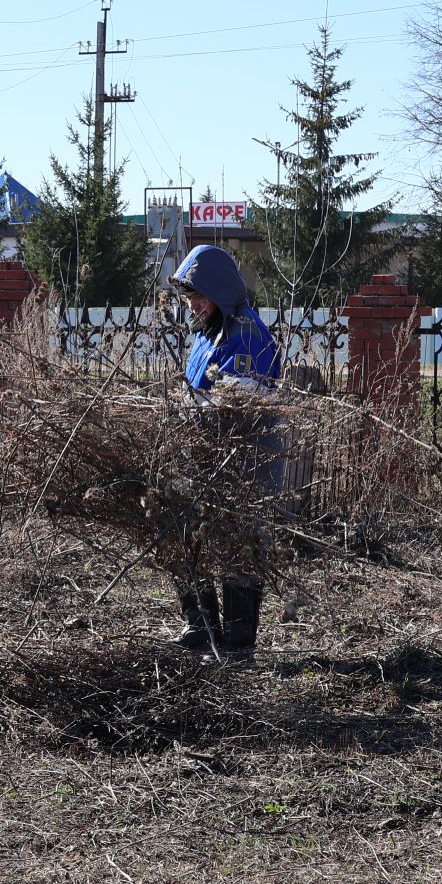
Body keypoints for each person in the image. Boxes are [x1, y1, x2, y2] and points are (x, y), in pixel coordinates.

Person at [168, 244, 282, 659]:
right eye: (190, 298)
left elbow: (236, 407)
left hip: (245, 463)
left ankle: (237, 643)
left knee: (239, 544)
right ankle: (200, 624)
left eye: (201, 296)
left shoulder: (247, 334)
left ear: (219, 291)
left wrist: (191, 412)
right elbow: (192, 391)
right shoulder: (206, 334)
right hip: (200, 457)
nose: (195, 306)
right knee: (180, 533)